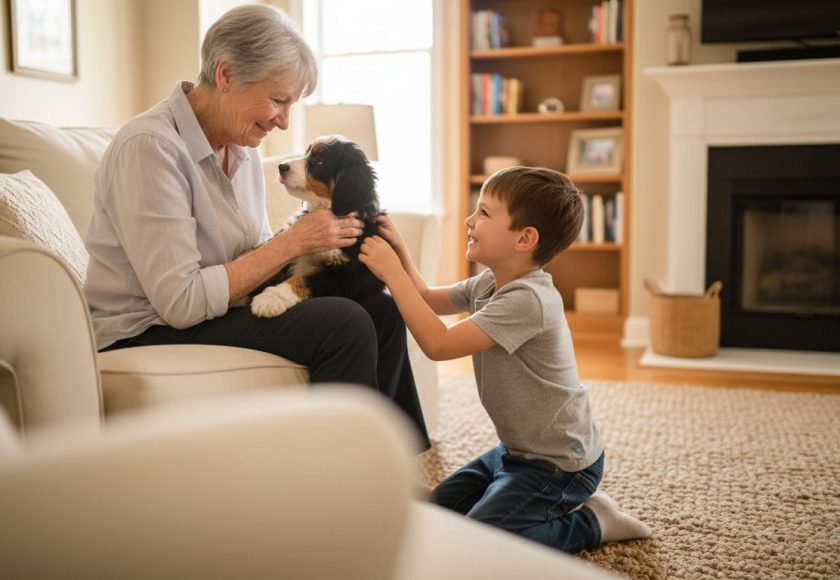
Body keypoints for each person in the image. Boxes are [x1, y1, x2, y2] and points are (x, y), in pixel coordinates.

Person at [83, 4, 428, 447]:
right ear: (226, 75)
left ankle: (395, 463)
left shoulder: (241, 149)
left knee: (380, 309)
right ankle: (333, 483)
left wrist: (321, 248)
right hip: (144, 329)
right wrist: (294, 241)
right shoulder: (150, 148)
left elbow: (256, 251)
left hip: (216, 309)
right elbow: (180, 302)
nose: (283, 120)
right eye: (278, 100)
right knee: (344, 322)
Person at [359, 166, 650, 552]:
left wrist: (392, 275)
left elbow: (439, 344)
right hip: (514, 453)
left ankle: (592, 521)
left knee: (481, 541)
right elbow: (429, 298)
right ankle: (504, 496)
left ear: (525, 238)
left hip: (560, 464)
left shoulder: (529, 300)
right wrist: (401, 253)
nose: (469, 220)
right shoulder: (491, 281)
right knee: (435, 514)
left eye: (484, 213)